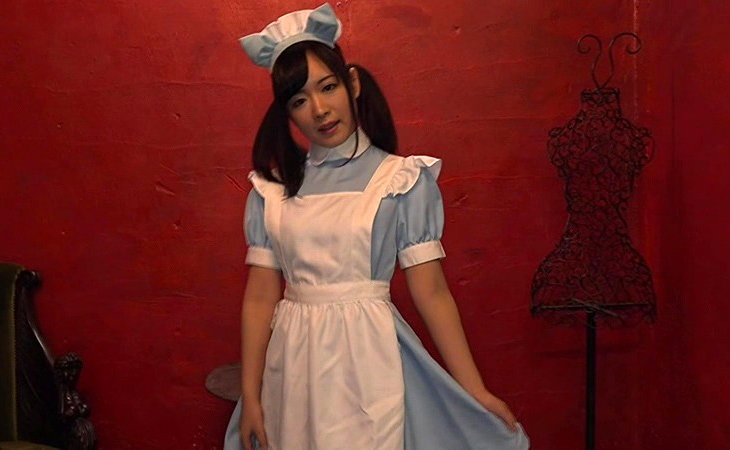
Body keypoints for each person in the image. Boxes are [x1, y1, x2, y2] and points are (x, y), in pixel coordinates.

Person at [224, 4, 530, 449]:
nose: (320, 110)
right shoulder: (271, 192)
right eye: (299, 100)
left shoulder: (400, 181)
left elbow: (432, 292)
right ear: (287, 114)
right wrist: (252, 396)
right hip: (292, 363)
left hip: (369, 358)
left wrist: (474, 389)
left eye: (328, 87)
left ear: (352, 83)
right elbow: (258, 298)